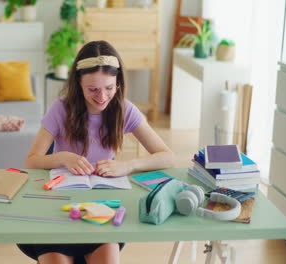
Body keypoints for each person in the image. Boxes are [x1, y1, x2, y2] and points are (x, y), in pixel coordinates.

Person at [18, 40, 174, 264]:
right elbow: (31, 161)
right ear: (78, 84)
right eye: (93, 89)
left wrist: (127, 165)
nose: (102, 97)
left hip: (103, 210)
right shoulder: (60, 108)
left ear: (118, 83)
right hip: (59, 208)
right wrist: (62, 157)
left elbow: (167, 156)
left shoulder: (124, 109)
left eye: (109, 88)